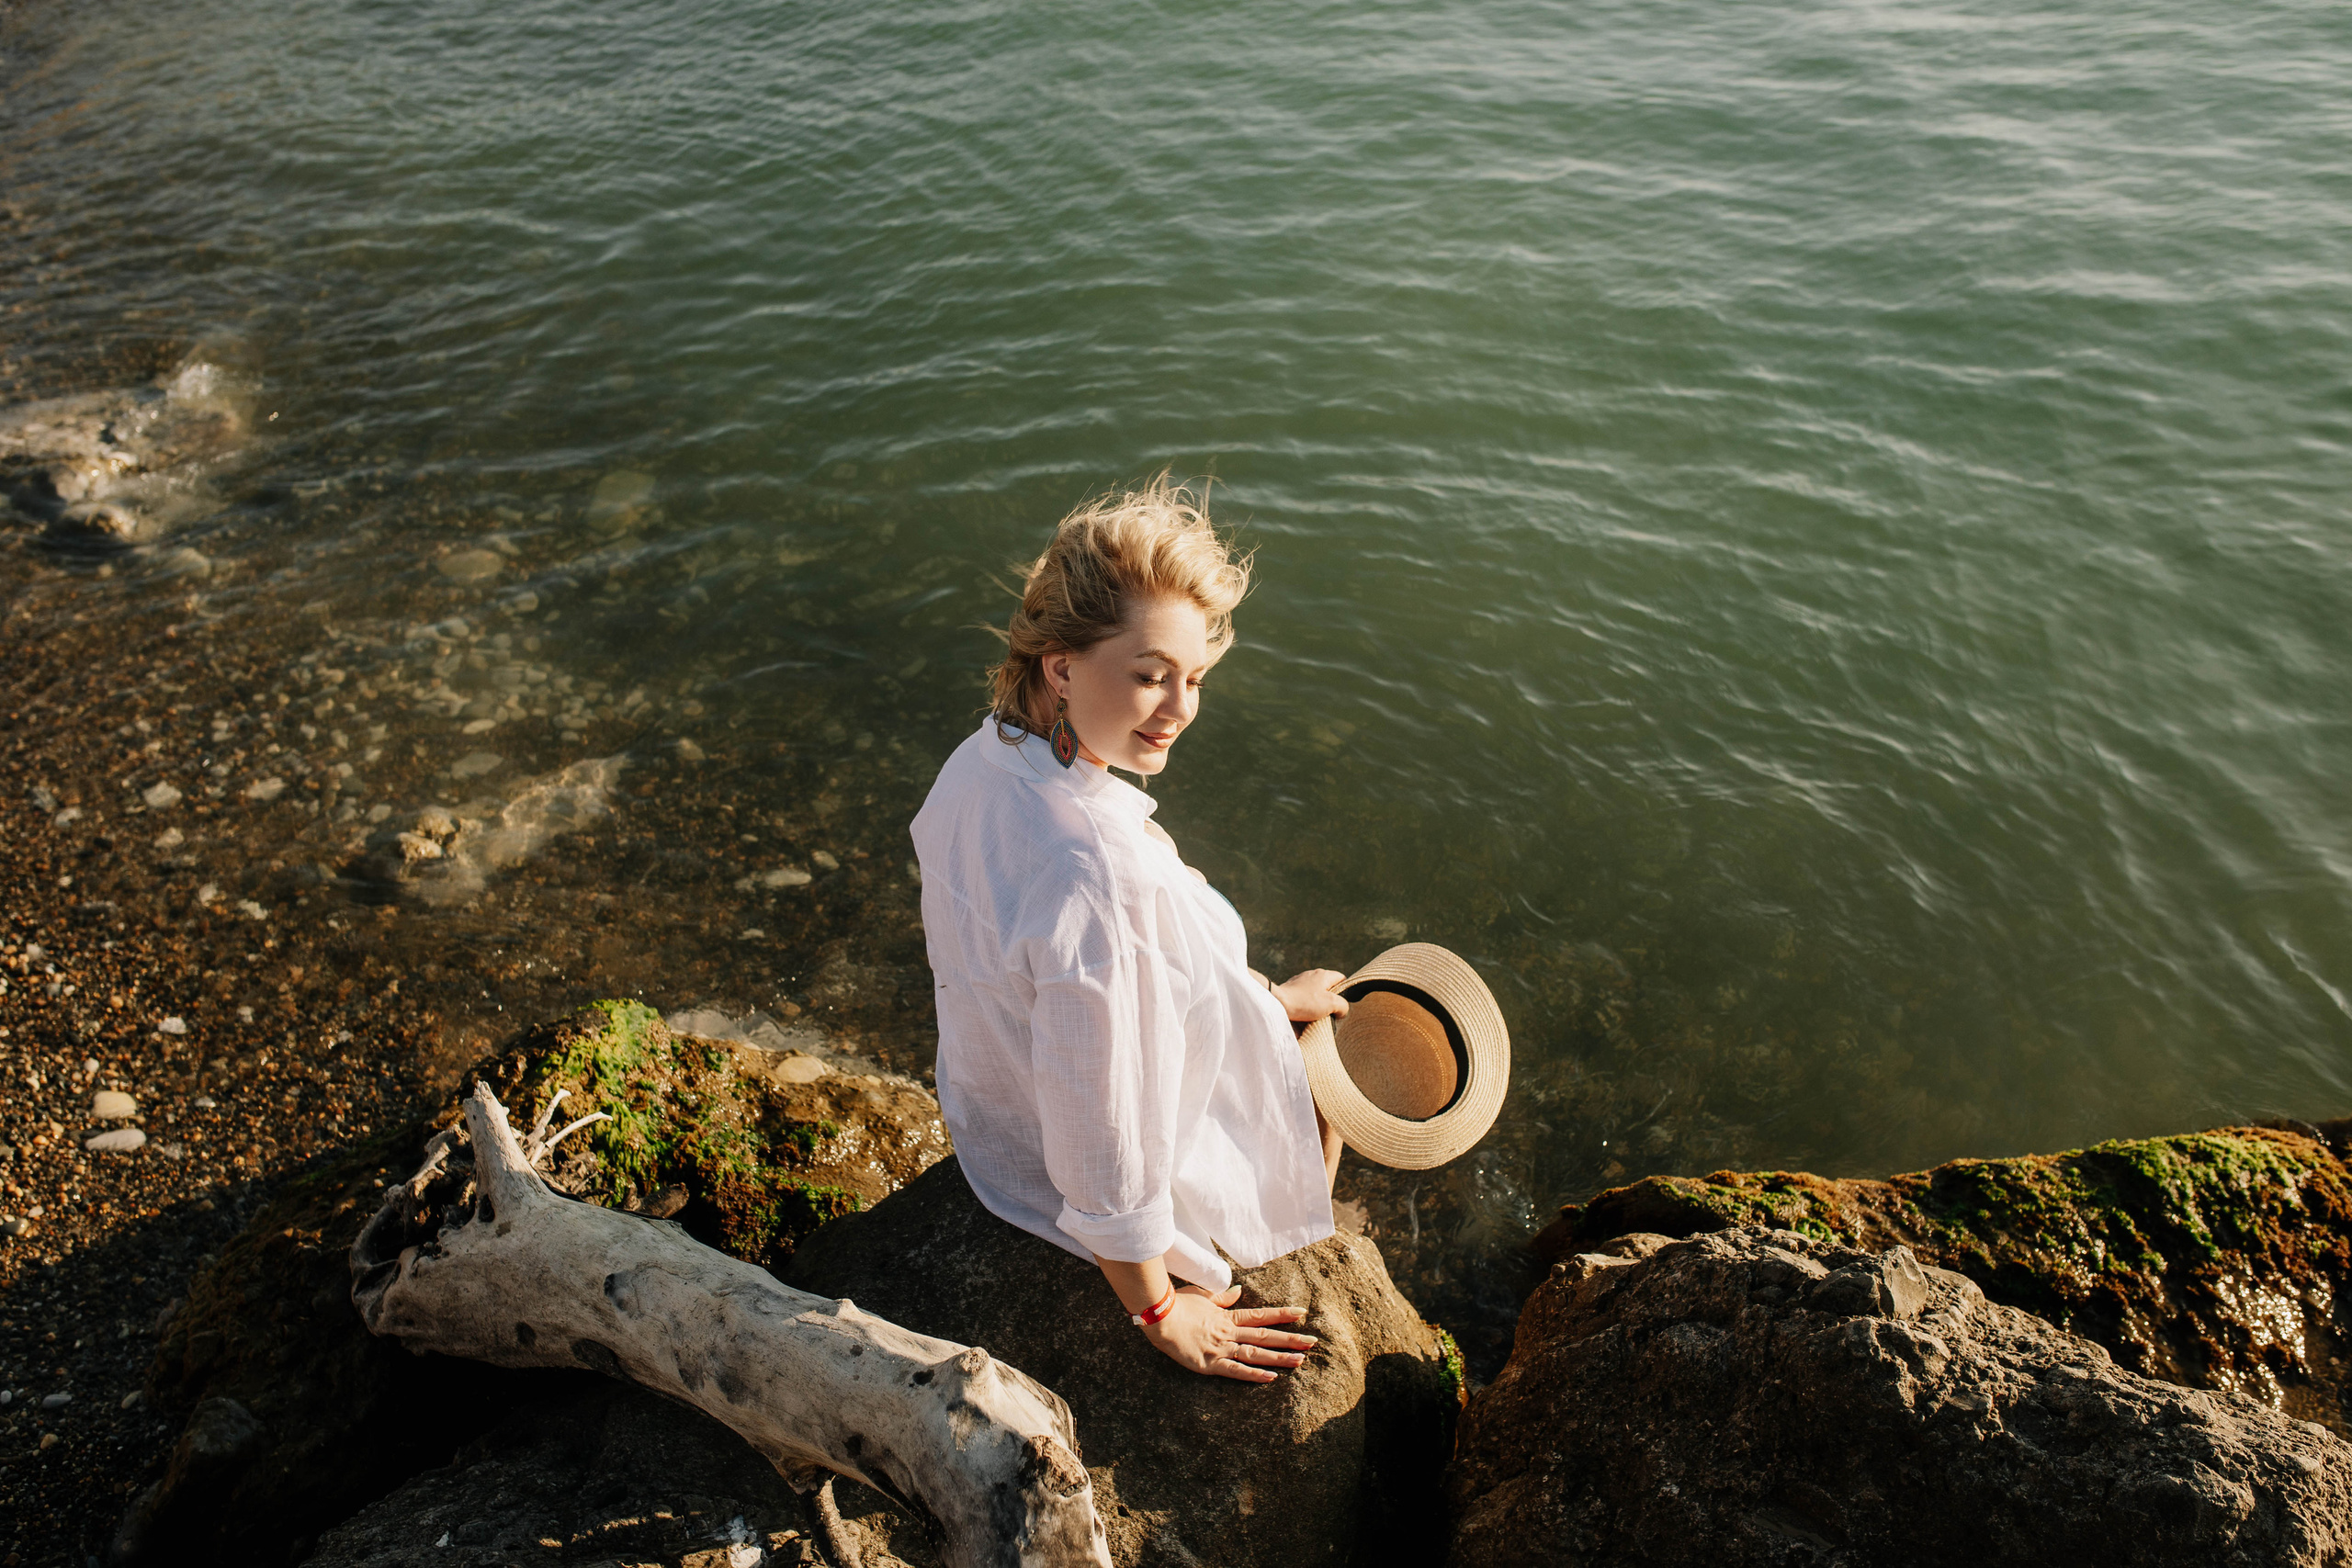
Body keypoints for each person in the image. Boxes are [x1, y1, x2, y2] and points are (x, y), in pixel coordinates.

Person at [910, 476, 1353, 1383]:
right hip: (1060, 1176)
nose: (1180, 707)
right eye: (1149, 675)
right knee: (1341, 1099)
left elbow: (1075, 988)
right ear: (1061, 665)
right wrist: (1158, 1309)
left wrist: (1259, 1003)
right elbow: (1099, 1142)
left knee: (1302, 1031)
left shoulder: (983, 762)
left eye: (1192, 678)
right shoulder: (1095, 879)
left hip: (992, 1112)